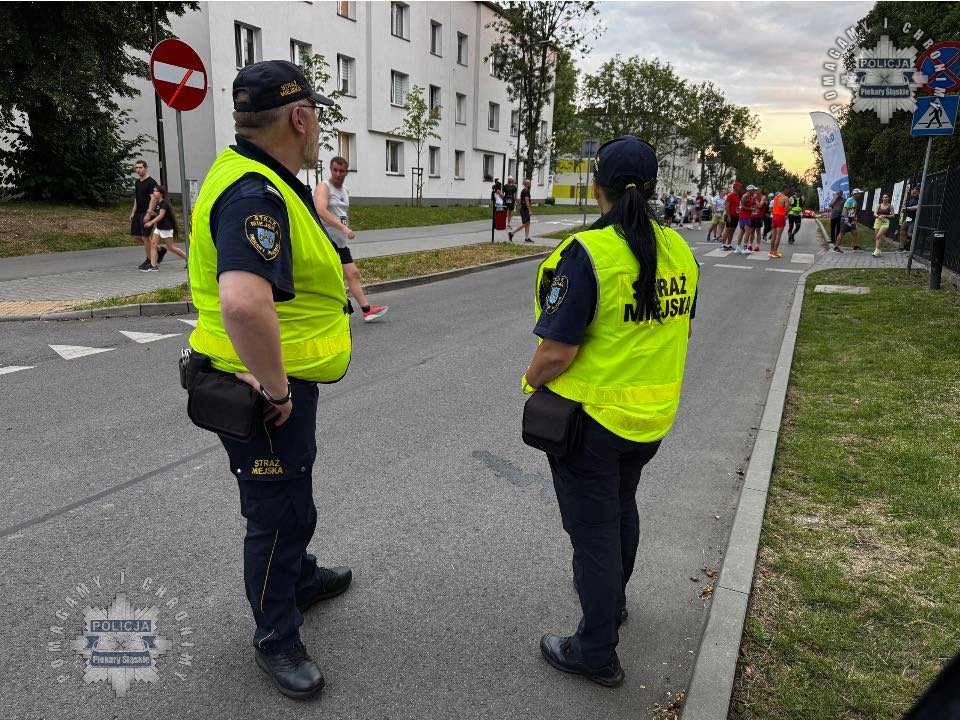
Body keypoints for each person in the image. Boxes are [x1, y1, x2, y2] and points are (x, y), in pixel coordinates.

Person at [186, 60, 355, 700]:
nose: (319, 136)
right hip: (259, 391)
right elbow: (242, 303)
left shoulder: (263, 180)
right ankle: (275, 638)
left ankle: (301, 580)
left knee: (294, 499)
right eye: (317, 121)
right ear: (300, 117)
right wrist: (278, 388)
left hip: (273, 381)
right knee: (276, 515)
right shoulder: (257, 193)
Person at [523, 135, 699, 688]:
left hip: (590, 423)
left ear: (596, 186)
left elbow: (557, 350)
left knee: (593, 533)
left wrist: (530, 381)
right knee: (622, 510)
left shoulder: (589, 253)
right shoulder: (679, 249)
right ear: (653, 189)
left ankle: (595, 651)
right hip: (650, 420)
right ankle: (613, 604)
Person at [314, 156, 389, 322]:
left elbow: (341, 213)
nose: (338, 174)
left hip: (340, 242)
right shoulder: (324, 187)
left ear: (346, 172)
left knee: (353, 274)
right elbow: (320, 209)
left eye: (342, 171)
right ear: (331, 170)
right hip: (326, 241)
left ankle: (367, 311)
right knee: (330, 278)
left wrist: (345, 227)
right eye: (335, 170)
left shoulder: (345, 190)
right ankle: (328, 312)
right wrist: (343, 228)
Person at [142, 185, 187, 269]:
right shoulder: (158, 203)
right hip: (159, 227)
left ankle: (189, 260)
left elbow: (161, 216)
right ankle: (153, 265)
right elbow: (159, 215)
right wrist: (154, 214)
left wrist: (151, 222)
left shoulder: (164, 203)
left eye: (156, 191)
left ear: (161, 194)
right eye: (153, 191)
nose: (154, 193)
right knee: (153, 244)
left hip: (166, 228)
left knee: (171, 247)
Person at [130, 159, 159, 271]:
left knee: (145, 236)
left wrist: (148, 214)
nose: (138, 170)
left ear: (145, 168)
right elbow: (137, 198)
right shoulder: (137, 182)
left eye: (140, 167)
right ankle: (157, 250)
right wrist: (133, 212)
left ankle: (149, 259)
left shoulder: (151, 182)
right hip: (138, 212)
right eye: (136, 168)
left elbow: (154, 199)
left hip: (147, 212)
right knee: (137, 235)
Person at [835, 188, 863, 252]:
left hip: (851, 219)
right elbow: (845, 209)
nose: (860, 195)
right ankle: (836, 247)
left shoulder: (854, 200)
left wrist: (854, 218)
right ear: (855, 194)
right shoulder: (849, 200)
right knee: (842, 233)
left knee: (855, 232)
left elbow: (853, 211)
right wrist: (846, 219)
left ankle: (854, 246)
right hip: (846, 219)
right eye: (859, 194)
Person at [721, 181, 742, 251]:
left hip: (736, 215)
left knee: (732, 230)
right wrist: (729, 216)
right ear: (735, 187)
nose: (740, 188)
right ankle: (723, 244)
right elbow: (727, 206)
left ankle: (729, 244)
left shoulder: (737, 196)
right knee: (727, 230)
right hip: (730, 215)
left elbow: (737, 206)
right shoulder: (730, 195)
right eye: (739, 187)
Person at [734, 185, 755, 254]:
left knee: (742, 231)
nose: (754, 191)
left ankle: (738, 248)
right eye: (753, 190)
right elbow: (742, 206)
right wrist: (751, 209)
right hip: (744, 216)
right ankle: (744, 248)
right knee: (747, 231)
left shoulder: (750, 197)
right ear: (749, 190)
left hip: (746, 216)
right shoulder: (745, 196)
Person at [898, 186, 919, 253]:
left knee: (910, 233)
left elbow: (917, 207)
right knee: (902, 232)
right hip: (908, 218)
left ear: (918, 192)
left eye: (914, 193)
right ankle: (902, 248)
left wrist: (907, 208)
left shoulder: (920, 199)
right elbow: (908, 208)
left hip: (915, 219)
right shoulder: (911, 199)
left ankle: (912, 247)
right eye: (912, 193)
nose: (912, 195)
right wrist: (904, 210)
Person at [769, 185, 789, 258]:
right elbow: (786, 209)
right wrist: (786, 213)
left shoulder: (776, 197)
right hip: (780, 216)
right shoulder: (785, 198)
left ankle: (771, 251)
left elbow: (773, 206)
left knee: (773, 235)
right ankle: (775, 252)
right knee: (778, 235)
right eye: (787, 189)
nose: (788, 191)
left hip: (774, 216)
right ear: (785, 189)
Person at [873, 192, 894, 257]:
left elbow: (893, 215)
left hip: (885, 222)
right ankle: (878, 250)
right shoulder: (878, 205)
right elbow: (875, 213)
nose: (885, 198)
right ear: (882, 198)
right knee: (877, 237)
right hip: (878, 221)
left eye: (886, 197)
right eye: (884, 197)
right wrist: (878, 216)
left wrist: (885, 215)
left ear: (888, 198)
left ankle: (876, 251)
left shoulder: (890, 206)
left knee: (878, 236)